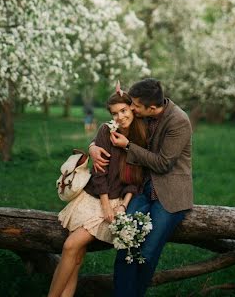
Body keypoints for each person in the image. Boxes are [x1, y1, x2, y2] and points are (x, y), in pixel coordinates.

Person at [89, 78, 193, 297]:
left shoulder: (179, 121)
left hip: (170, 193)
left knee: (146, 251)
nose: (132, 110)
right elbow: (115, 122)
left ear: (152, 108)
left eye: (135, 106)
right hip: (141, 187)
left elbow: (163, 164)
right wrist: (92, 147)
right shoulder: (143, 109)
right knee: (126, 242)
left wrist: (128, 146)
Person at [48, 87, 147, 297]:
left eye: (123, 110)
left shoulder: (140, 139)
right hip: (95, 197)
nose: (120, 117)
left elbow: (136, 181)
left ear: (132, 108)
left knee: (71, 247)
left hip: (115, 204)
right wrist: (104, 203)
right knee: (74, 253)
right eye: (114, 113)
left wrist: (122, 205)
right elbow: (99, 172)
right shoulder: (106, 131)